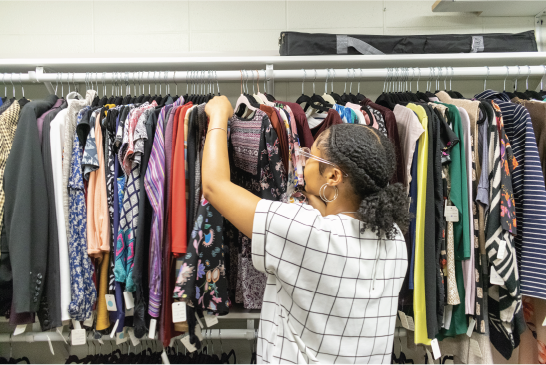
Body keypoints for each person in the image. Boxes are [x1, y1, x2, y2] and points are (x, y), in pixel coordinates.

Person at [203, 96, 410, 364]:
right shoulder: (393, 237)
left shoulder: (309, 233)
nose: (304, 161)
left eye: (311, 155)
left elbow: (214, 186)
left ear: (333, 176)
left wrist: (218, 115)